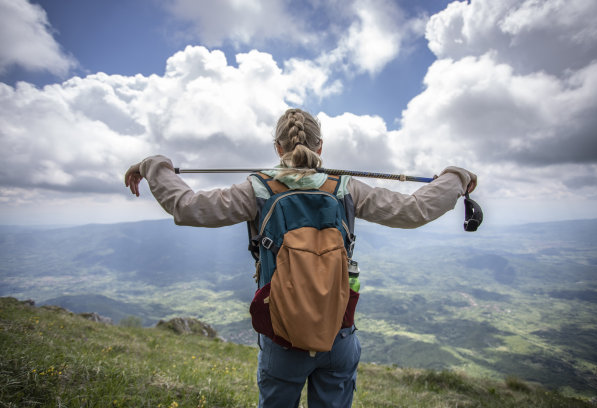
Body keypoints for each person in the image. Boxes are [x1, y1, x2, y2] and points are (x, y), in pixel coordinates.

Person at [125, 108, 477, 408]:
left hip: (282, 338)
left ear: (277, 148)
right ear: (321, 145)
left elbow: (188, 207)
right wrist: (455, 178)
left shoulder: (257, 189)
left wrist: (154, 165)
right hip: (338, 333)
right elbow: (414, 209)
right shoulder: (345, 189)